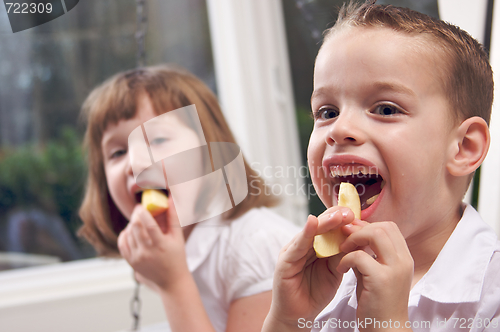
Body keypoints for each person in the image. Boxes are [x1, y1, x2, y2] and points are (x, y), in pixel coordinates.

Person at [262, 1, 500, 331]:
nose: (339, 129)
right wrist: (288, 319)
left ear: (464, 147)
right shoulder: (326, 283)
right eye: (327, 112)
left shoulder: (491, 296)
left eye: (386, 109)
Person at [77, 64, 300, 332]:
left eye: (157, 139)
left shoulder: (256, 247)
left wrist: (172, 283)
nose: (134, 163)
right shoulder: (177, 246)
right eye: (117, 152)